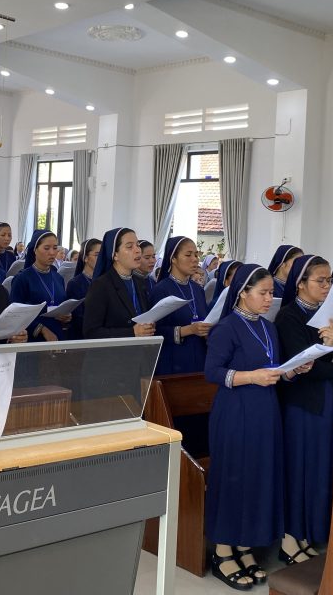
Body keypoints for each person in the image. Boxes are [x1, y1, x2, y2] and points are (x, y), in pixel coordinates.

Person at [205, 264, 311, 589]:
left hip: (265, 411)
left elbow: (272, 368)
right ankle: (223, 550)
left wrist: (293, 371)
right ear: (242, 293)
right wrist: (252, 377)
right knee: (233, 477)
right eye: (263, 293)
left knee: (256, 478)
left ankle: (244, 546)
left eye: (271, 293)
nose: (269, 299)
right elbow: (212, 372)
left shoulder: (268, 327)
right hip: (235, 412)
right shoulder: (226, 327)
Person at [275, 255, 333, 563]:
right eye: (320, 280)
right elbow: (305, 366)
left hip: (331, 400)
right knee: (301, 470)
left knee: (322, 469)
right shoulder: (289, 317)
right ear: (301, 284)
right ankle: (290, 537)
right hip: (304, 405)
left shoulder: (331, 315)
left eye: (329, 281)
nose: (327, 286)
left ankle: (311, 533)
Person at [150, 236, 211, 375]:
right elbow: (154, 331)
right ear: (173, 258)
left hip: (200, 359)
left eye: (196, 255)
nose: (195, 259)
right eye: (188, 255)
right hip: (173, 361)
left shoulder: (198, 289)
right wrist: (188, 330)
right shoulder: (161, 290)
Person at [82, 228, 155, 339]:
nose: (137, 250)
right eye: (129, 246)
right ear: (115, 254)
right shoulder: (101, 285)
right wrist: (131, 332)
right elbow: (91, 332)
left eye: (137, 245)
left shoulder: (139, 282)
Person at [9, 230, 70, 342]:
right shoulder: (22, 278)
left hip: (58, 337)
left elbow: (61, 305)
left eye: (55, 248)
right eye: (46, 248)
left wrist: (66, 316)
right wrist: (41, 329)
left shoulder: (58, 278)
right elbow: (16, 314)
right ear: (35, 250)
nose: (52, 253)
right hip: (32, 339)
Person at [65, 237, 100, 340]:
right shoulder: (75, 284)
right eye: (97, 255)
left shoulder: (105, 282)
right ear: (85, 258)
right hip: (82, 337)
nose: (101, 259)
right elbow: (77, 317)